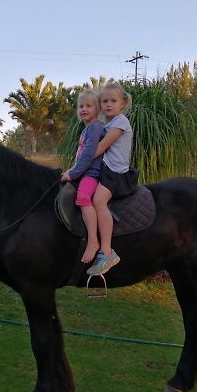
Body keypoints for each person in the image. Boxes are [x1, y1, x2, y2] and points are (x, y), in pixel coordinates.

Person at [87, 80, 138, 276]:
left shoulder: (120, 122)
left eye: (113, 101)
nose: (108, 104)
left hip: (116, 174)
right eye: (105, 101)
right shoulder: (108, 123)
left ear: (122, 103)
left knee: (98, 201)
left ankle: (107, 251)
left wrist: (81, 162)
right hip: (106, 170)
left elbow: (101, 147)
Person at [61, 89, 104, 263]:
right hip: (84, 172)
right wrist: (70, 170)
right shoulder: (87, 129)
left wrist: (73, 173)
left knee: (83, 197)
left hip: (92, 173)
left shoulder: (95, 127)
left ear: (97, 109)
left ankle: (93, 241)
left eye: (88, 105)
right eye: (81, 106)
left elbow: (88, 155)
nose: (84, 109)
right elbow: (80, 157)